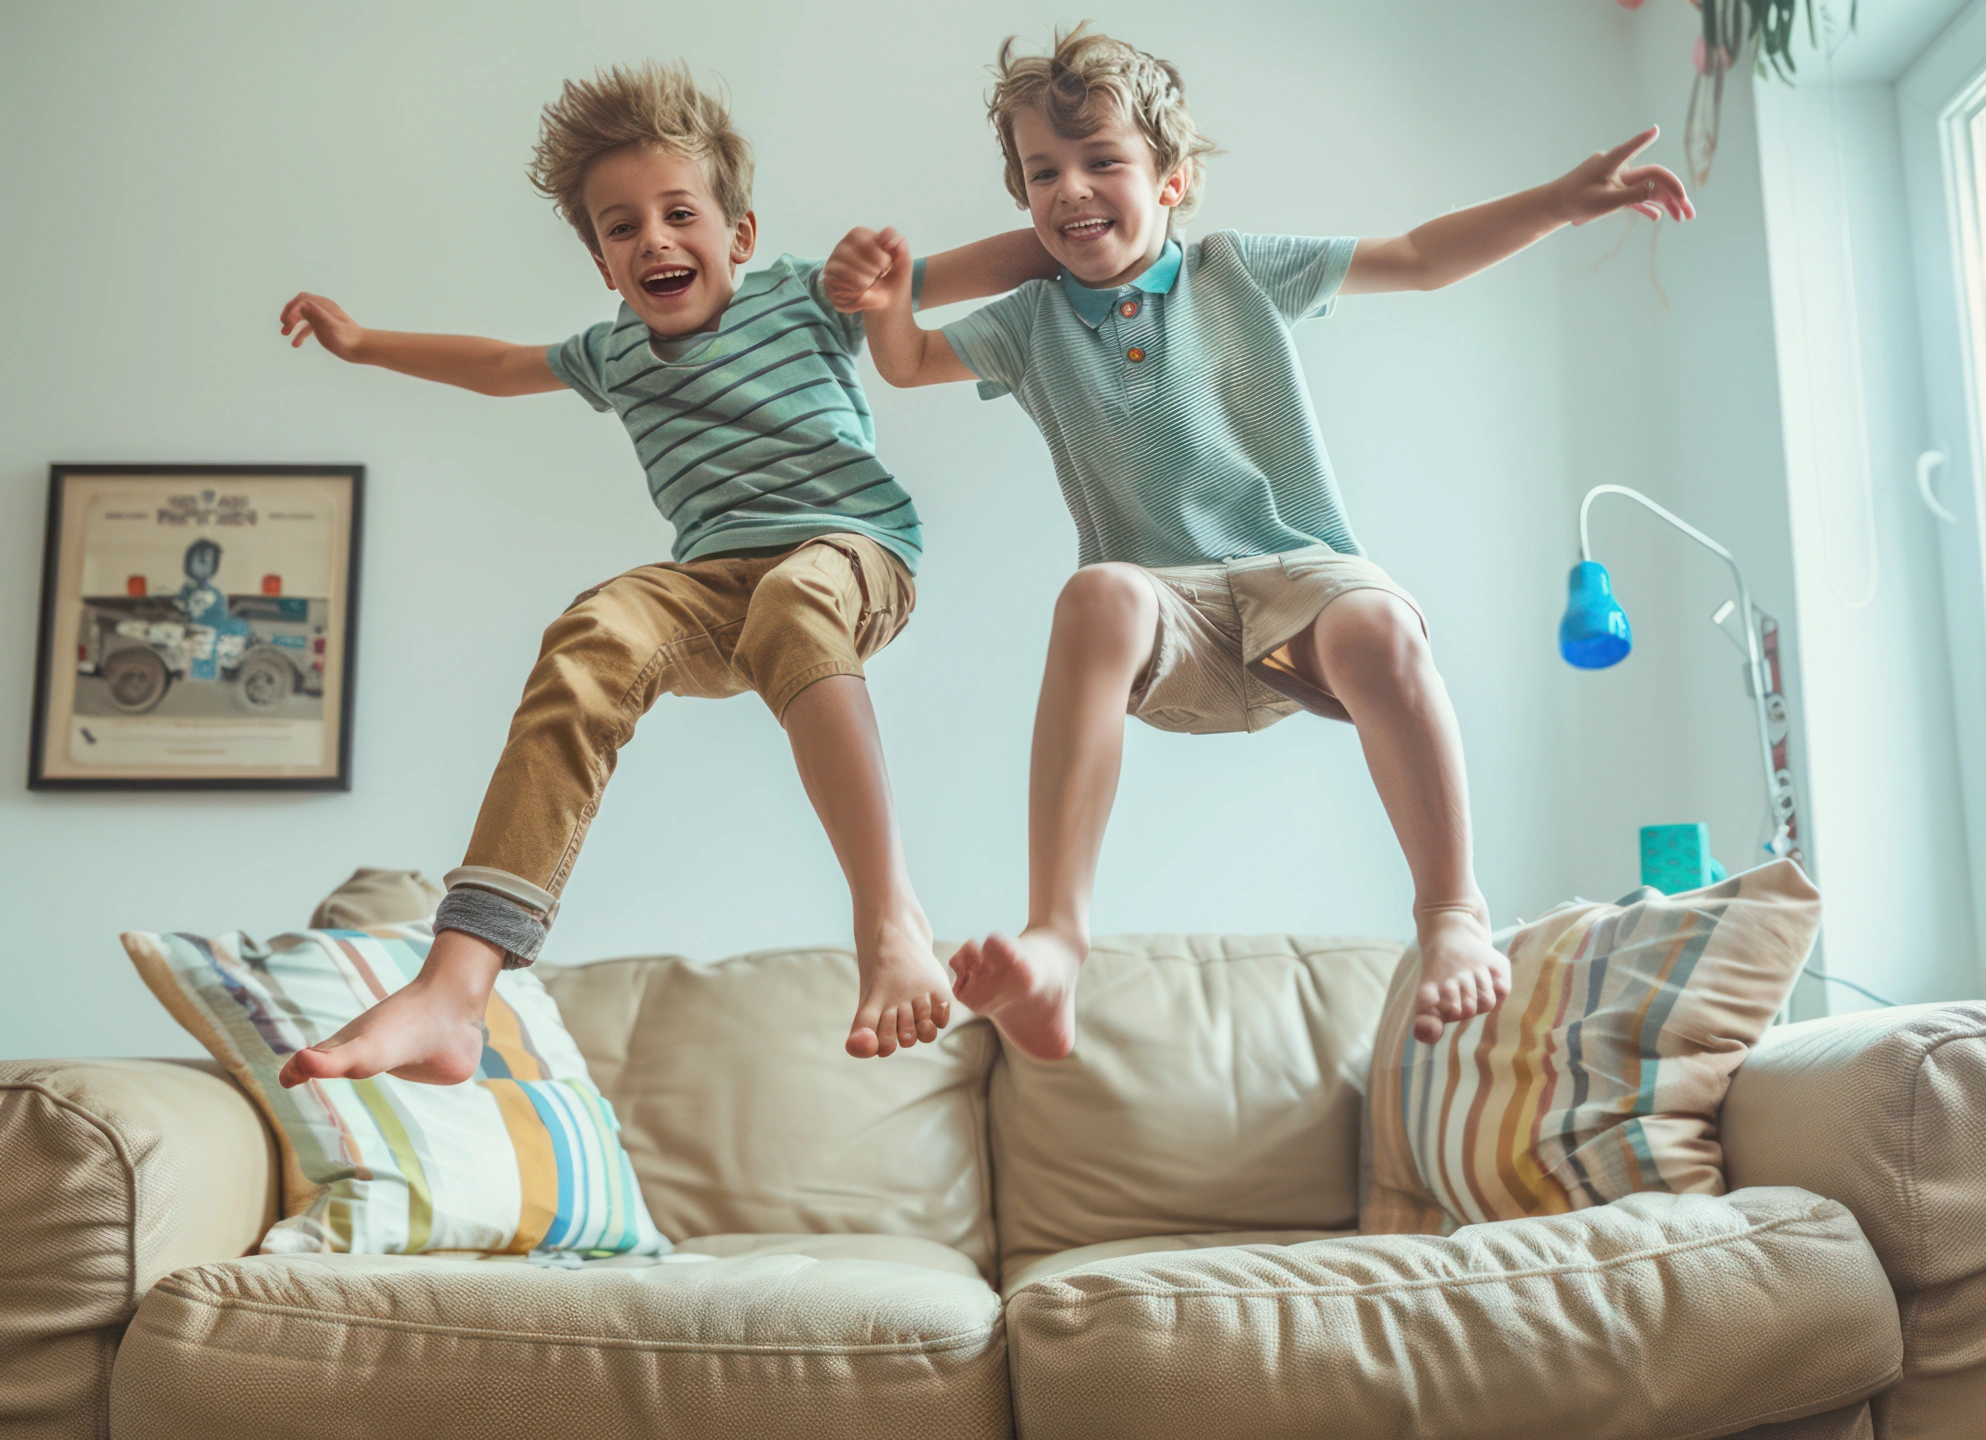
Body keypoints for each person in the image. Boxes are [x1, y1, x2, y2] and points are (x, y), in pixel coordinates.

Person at [827, 25, 1694, 1060]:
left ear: (1175, 179)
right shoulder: (1028, 323)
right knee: (1095, 595)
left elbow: (1418, 260)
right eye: (1040, 173)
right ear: (1020, 198)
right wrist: (884, 299)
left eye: (1102, 162)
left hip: (1299, 594)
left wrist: (1556, 202)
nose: (1068, 190)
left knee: (1377, 619)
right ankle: (1056, 942)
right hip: (1168, 616)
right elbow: (910, 359)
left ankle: (1450, 911)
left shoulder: (1236, 272)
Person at [274, 62, 1054, 1084]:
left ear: (737, 236)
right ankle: (456, 990)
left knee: (791, 599)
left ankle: (889, 917)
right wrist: (364, 341)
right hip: (710, 585)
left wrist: (1061, 230)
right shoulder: (610, 355)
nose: (651, 239)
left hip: (850, 555)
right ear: (603, 264)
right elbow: (498, 366)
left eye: (677, 213)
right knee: (595, 629)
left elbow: (974, 269)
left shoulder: (803, 296)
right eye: (619, 226)